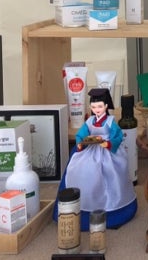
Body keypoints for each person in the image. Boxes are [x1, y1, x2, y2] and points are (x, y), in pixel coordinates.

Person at [55, 88, 137, 229]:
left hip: (107, 151)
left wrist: (108, 143)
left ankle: (115, 211)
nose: (97, 110)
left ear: (106, 106)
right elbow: (81, 134)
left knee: (111, 174)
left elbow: (117, 136)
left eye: (99, 106)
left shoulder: (110, 121)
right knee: (82, 169)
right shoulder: (89, 121)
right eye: (93, 107)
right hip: (90, 149)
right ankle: (81, 210)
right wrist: (81, 143)